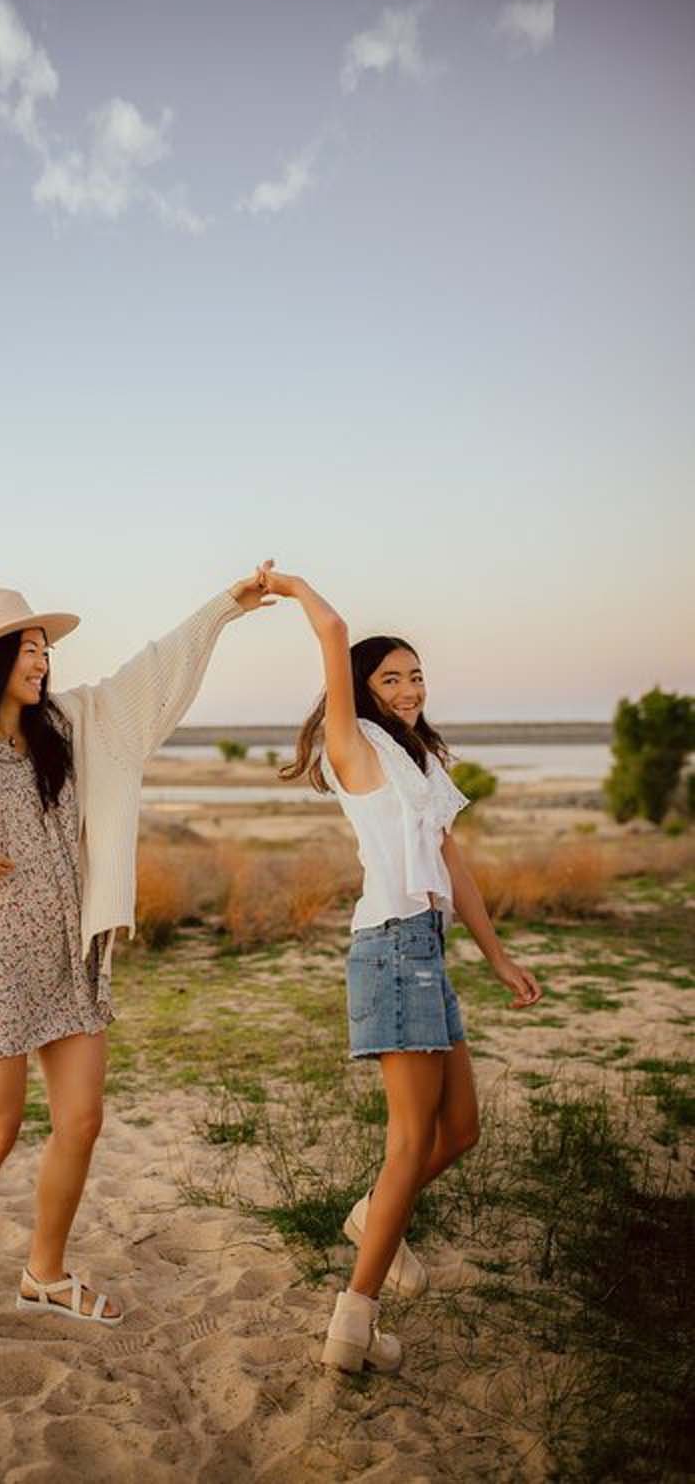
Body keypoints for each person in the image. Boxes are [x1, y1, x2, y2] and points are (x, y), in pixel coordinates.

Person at [0, 567, 274, 1351]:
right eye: (24, 647)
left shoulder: (72, 729)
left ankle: (44, 1274)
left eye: (43, 645)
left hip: (68, 951)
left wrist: (224, 608)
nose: (41, 659)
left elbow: (152, 672)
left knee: (82, 1120)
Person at [266, 570, 541, 1375]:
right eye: (391, 677)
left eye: (417, 674)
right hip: (389, 947)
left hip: (427, 947)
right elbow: (334, 629)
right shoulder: (353, 745)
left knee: (460, 1132)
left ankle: (371, 1216)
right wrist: (288, 586)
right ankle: (353, 1327)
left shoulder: (421, 763)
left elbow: (453, 864)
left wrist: (497, 956)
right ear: (360, 689)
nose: (410, 687)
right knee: (411, 1139)